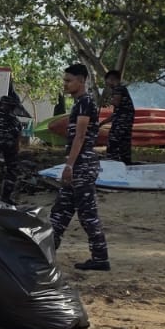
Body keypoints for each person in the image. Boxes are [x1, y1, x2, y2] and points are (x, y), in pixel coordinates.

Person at [48, 63, 110, 271]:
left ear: (81, 81)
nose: (65, 84)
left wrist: (69, 165)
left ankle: (100, 258)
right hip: (79, 165)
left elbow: (81, 136)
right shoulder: (79, 104)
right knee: (60, 211)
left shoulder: (85, 103)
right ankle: (46, 254)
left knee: (87, 214)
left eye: (68, 80)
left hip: (81, 166)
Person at [102, 70, 135, 164]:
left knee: (113, 143)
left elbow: (116, 102)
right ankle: (126, 163)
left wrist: (107, 100)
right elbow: (116, 113)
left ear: (111, 79)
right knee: (124, 144)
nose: (107, 84)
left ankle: (111, 163)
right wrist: (102, 122)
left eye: (107, 81)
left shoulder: (118, 89)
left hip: (121, 123)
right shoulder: (123, 89)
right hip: (126, 121)